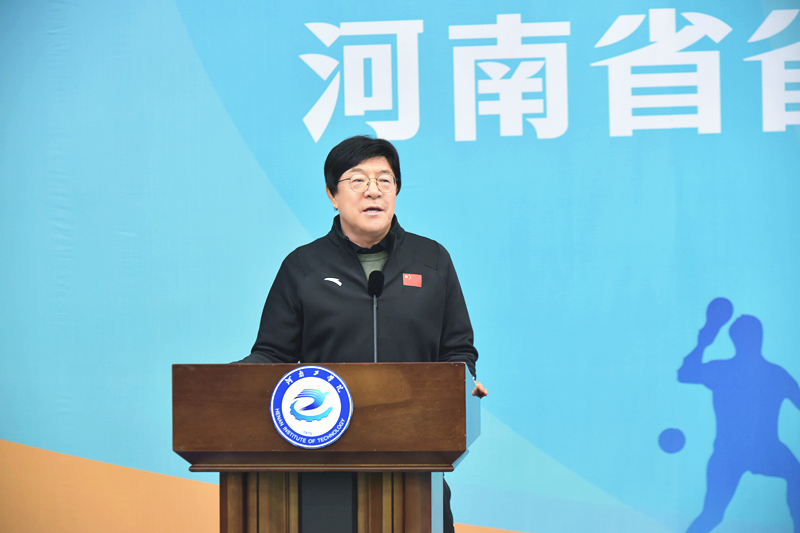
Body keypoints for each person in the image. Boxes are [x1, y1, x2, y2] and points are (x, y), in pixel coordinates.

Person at [241, 135, 487, 532]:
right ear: (332, 195)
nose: (373, 191)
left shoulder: (432, 261)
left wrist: (462, 381)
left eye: (384, 180)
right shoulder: (303, 267)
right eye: (357, 180)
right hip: (324, 458)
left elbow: (457, 348)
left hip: (415, 457)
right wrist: (233, 377)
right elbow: (273, 353)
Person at [678, 299, 800, 533]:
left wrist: (704, 341)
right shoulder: (767, 373)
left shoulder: (765, 374)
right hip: (735, 452)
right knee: (712, 515)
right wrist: (704, 339)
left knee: (712, 515)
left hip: (755, 450)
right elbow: (685, 375)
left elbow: (686, 374)